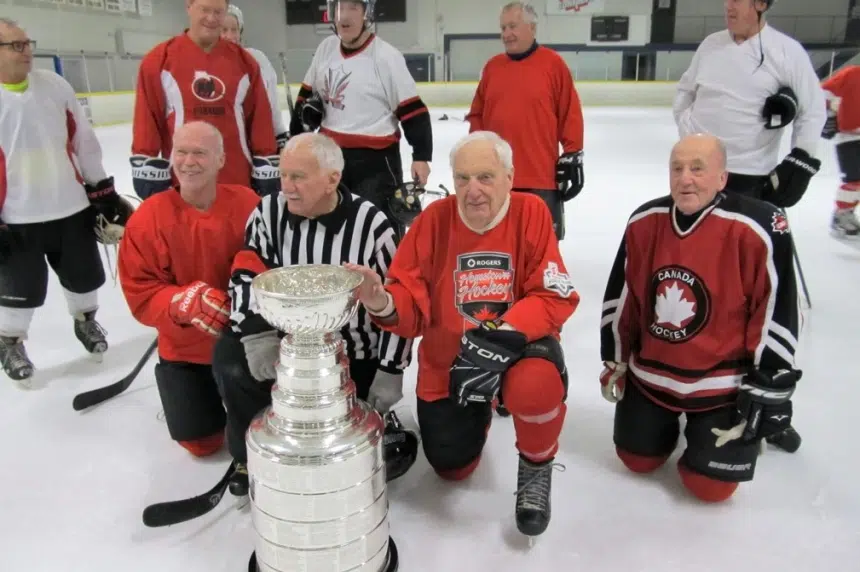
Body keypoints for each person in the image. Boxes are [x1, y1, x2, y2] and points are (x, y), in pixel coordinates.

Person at [345, 131, 580, 542]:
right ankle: (484, 409)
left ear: (509, 177)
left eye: (486, 177)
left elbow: (553, 293)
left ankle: (536, 466)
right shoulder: (434, 221)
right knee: (452, 467)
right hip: (450, 363)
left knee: (536, 385)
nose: (473, 190)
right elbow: (409, 302)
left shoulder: (532, 213)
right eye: (463, 178)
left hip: (515, 351)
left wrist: (498, 337)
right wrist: (380, 299)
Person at [599, 133, 800, 503]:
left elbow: (776, 306)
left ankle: (712, 439)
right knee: (636, 460)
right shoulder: (645, 220)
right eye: (677, 168)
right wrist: (615, 357)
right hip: (652, 375)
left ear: (723, 178)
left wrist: (770, 380)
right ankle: (659, 426)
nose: (685, 178)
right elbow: (622, 295)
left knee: (712, 488)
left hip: (721, 386)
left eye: (697, 169)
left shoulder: (757, 225)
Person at [213, 132, 413, 495]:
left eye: (298, 177)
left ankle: (376, 419)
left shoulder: (373, 227)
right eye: (283, 174)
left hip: (353, 353)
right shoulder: (267, 212)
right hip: (283, 343)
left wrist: (391, 368)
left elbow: (398, 303)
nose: (286, 186)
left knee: (352, 436)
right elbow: (245, 273)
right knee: (230, 357)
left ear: (333, 178)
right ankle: (248, 455)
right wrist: (257, 333)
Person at [118, 121, 260, 458]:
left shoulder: (247, 203)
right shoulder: (147, 218)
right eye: (180, 152)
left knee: (262, 429)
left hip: (243, 345)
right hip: (184, 349)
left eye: (199, 152)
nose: (188, 161)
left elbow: (271, 261)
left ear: (221, 160)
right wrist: (177, 303)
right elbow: (139, 290)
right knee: (201, 445)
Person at [0, 18, 125, 385]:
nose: (28, 51)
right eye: (17, 46)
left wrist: (102, 191)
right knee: (19, 289)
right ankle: (9, 341)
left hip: (70, 206)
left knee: (84, 277)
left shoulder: (55, 86)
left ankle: (86, 322)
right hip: (15, 216)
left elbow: (83, 141)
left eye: (27, 43)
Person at [290, 0, 433, 238]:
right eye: (338, 8)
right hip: (329, 159)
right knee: (331, 231)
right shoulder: (326, 49)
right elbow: (305, 98)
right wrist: (300, 130)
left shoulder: (387, 57)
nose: (344, 16)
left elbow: (413, 110)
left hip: (375, 163)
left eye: (353, 8)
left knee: (379, 231)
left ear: (368, 14)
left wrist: (421, 156)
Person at [673, 0, 826, 207]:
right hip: (699, 171)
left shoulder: (788, 52)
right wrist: (687, 131)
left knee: (744, 238)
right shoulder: (710, 44)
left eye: (737, 0)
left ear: (761, 4)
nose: (728, 6)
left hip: (751, 176)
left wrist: (801, 159)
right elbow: (686, 90)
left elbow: (812, 110)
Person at [131, 0, 279, 200]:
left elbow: (260, 120)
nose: (211, 18)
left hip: (237, 183)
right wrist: (145, 159)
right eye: (205, 10)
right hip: (182, 183)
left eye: (218, 12)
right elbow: (146, 120)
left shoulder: (246, 63)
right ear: (188, 7)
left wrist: (266, 158)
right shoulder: (158, 61)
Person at [466, 1, 584, 242]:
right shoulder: (492, 68)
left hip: (540, 178)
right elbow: (477, 114)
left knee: (541, 251)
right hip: (496, 178)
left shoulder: (553, 65)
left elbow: (569, 112)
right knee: (497, 248)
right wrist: (477, 152)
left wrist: (573, 153)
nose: (506, 34)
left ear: (532, 27)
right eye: (502, 28)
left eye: (512, 26)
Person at [221, 4, 288, 149]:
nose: (230, 36)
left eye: (235, 30)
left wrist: (280, 136)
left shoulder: (257, 59)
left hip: (261, 146)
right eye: (224, 30)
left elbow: (272, 105)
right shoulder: (206, 67)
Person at [821, 64, 860, 242]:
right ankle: (842, 216)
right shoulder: (852, 74)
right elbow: (823, 93)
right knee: (854, 180)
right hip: (850, 136)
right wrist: (827, 113)